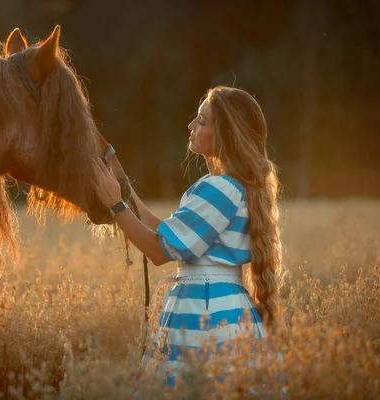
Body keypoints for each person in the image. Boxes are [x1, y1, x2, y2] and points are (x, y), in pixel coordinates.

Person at [93, 86, 282, 386]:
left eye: (202, 121)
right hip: (220, 306)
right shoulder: (224, 186)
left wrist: (116, 206)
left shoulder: (221, 189)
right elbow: (164, 230)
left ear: (226, 135)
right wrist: (123, 186)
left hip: (206, 311)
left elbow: (158, 251)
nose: (191, 126)